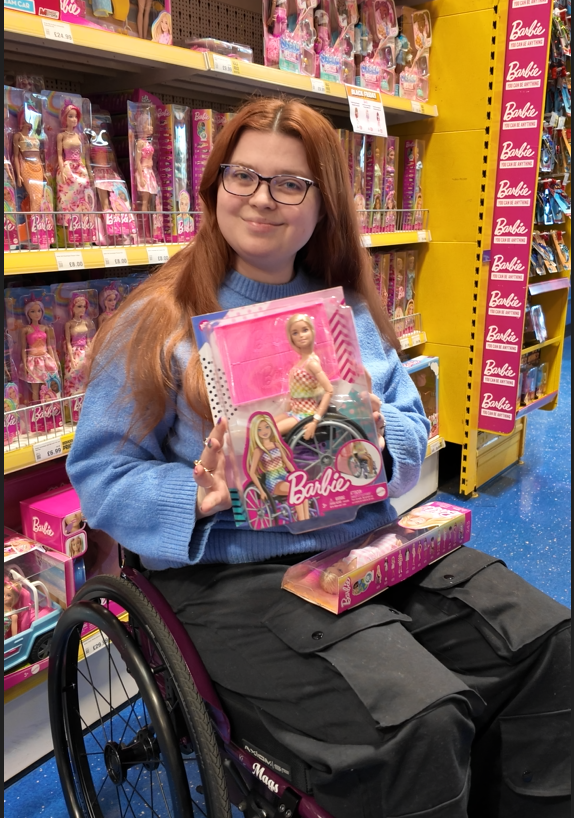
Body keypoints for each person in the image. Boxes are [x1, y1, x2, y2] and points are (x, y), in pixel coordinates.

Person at [67, 98, 570, 818]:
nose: (261, 199)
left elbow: (406, 427)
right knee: (417, 723)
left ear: (323, 204)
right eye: (243, 176)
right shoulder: (155, 321)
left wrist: (372, 433)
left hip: (368, 548)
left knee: (549, 644)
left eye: (290, 183)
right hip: (234, 577)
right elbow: (100, 475)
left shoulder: (347, 315)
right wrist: (199, 494)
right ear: (212, 187)